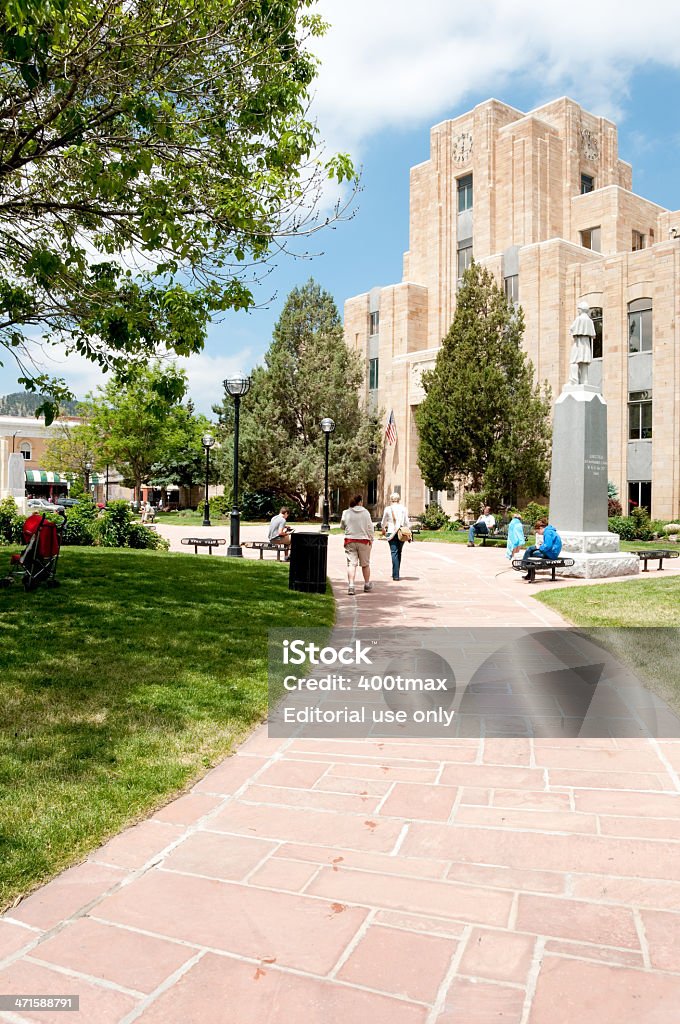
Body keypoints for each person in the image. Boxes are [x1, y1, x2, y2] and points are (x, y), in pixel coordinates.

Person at [341, 495, 374, 595]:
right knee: (365, 564)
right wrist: (371, 538)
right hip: (364, 540)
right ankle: (367, 584)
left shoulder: (346, 512)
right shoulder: (366, 513)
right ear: (360, 502)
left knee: (351, 564)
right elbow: (370, 528)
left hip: (350, 540)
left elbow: (342, 526)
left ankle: (351, 586)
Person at [381, 491, 410, 581]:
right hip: (401, 532)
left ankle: (395, 574)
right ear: (399, 499)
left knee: (394, 552)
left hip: (391, 532)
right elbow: (406, 522)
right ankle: (396, 572)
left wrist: (383, 528)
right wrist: (409, 531)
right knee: (399, 552)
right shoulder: (403, 509)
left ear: (391, 499)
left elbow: (383, 522)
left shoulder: (388, 509)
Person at [568, 300, 596, 385]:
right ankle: (584, 381)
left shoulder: (579, 319)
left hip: (579, 343)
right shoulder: (590, 321)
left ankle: (574, 380)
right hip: (586, 344)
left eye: (578, 309)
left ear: (581, 309)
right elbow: (593, 334)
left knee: (574, 361)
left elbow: (572, 329)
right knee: (584, 363)